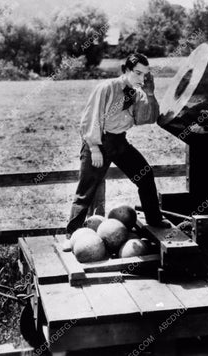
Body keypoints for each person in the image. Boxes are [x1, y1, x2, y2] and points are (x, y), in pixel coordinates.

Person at [67, 53, 170, 235]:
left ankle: (154, 220)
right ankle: (72, 234)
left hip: (119, 142)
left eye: (145, 75)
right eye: (137, 73)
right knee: (86, 190)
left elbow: (148, 118)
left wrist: (150, 94)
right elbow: (91, 118)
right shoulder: (107, 87)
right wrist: (94, 147)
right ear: (127, 70)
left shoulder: (137, 94)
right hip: (99, 141)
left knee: (145, 175)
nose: (141, 78)